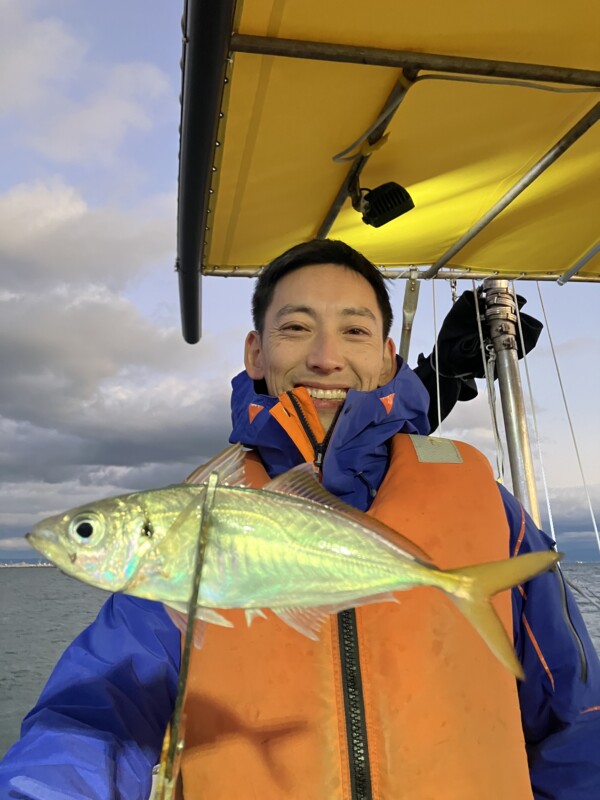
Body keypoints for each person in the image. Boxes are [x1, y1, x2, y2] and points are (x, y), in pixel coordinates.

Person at [1, 239, 598, 800]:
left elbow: (580, 717)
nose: (325, 357)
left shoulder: (485, 505)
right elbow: (93, 714)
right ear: (255, 352)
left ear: (388, 358)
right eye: (295, 327)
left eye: (355, 331)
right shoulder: (192, 524)